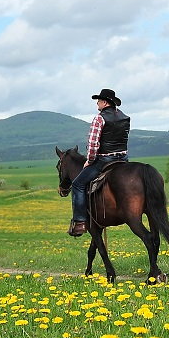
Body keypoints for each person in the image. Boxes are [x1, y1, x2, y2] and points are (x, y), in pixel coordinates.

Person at [69, 89, 131, 237]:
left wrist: (89, 161)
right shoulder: (125, 117)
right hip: (123, 160)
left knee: (77, 184)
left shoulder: (99, 118)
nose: (97, 103)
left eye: (98, 100)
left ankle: (80, 222)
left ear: (105, 102)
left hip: (104, 160)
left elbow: (93, 144)